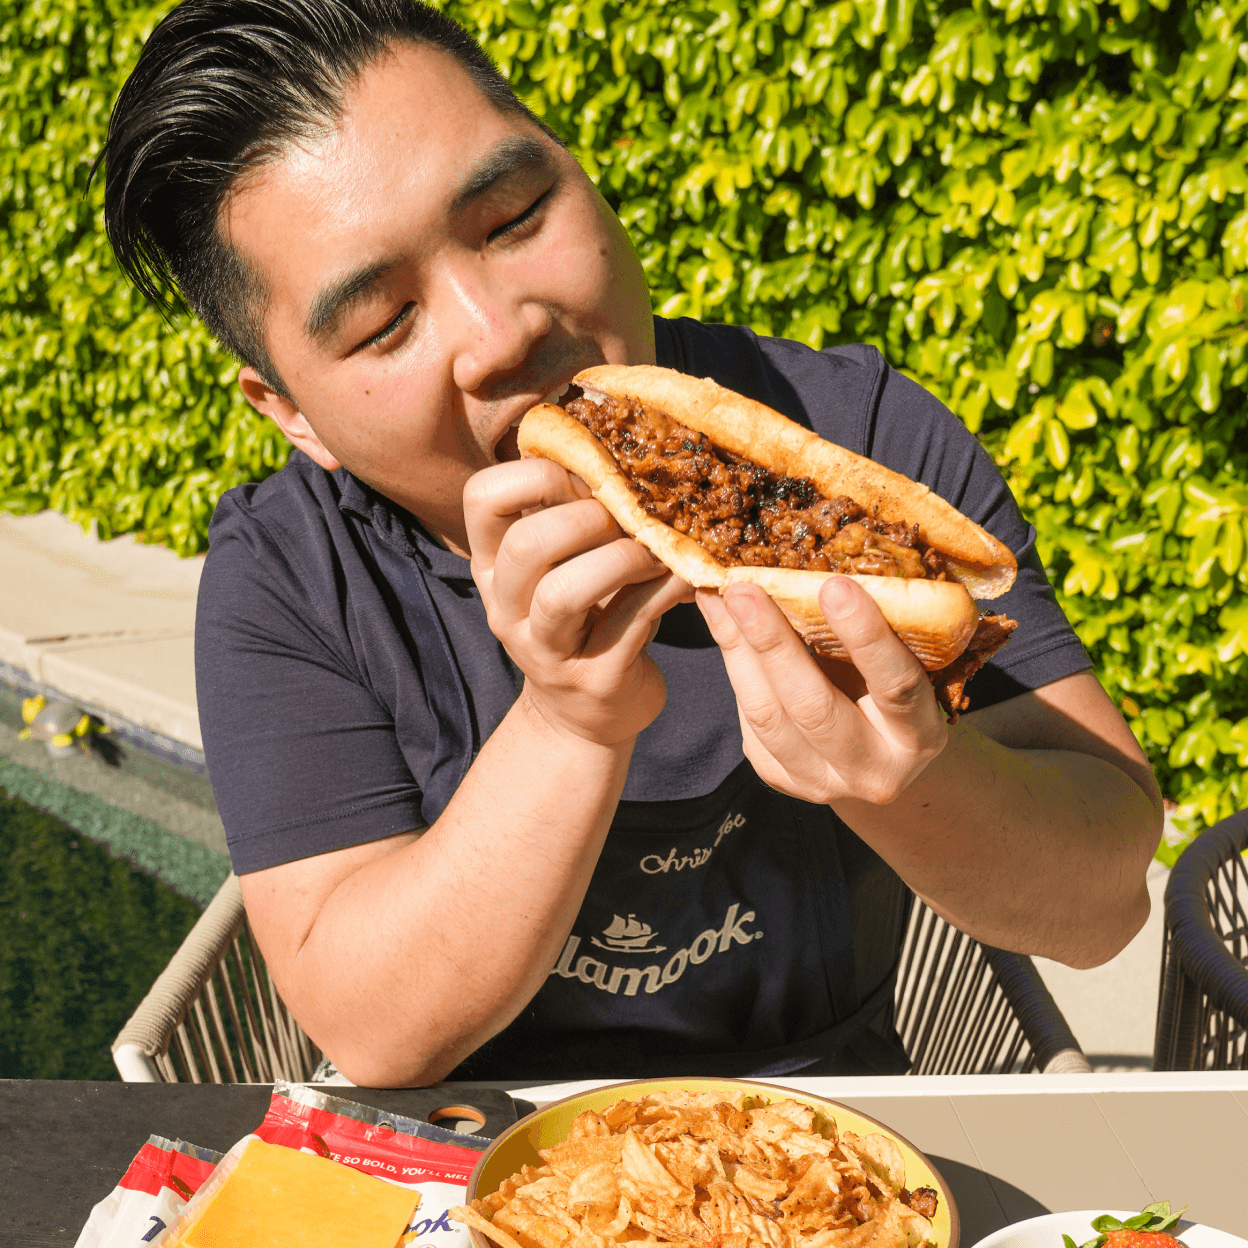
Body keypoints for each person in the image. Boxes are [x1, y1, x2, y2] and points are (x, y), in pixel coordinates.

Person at [96, 0, 1162, 1086]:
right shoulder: (292, 578)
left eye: (513, 216)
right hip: (463, 1155)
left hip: (839, 1122)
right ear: (294, 415)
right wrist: (568, 723)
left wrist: (901, 777)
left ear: (580, 171)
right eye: (384, 324)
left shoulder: (855, 437)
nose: (499, 329)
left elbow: (1104, 901)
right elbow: (373, 1032)